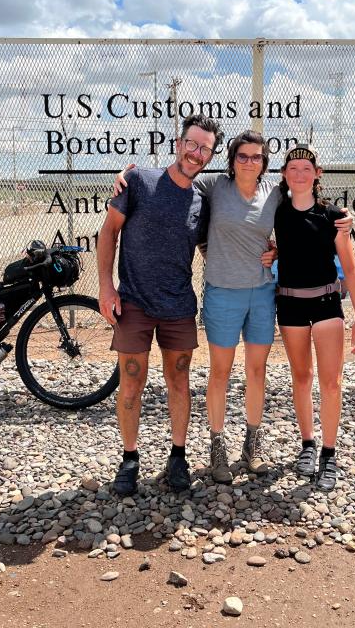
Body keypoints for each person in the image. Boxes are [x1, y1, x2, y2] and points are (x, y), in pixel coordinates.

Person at [114, 133, 351, 485]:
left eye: (257, 157)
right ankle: (217, 448)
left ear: (265, 162)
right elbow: (178, 176)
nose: (249, 162)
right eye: (242, 156)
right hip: (223, 294)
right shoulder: (213, 186)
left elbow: (305, 216)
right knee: (220, 374)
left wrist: (338, 220)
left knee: (256, 372)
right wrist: (124, 176)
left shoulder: (275, 191)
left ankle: (251, 447)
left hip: (262, 293)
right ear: (231, 159)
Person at [97, 113, 222, 496]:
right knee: (131, 381)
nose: (196, 153)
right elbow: (108, 233)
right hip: (133, 302)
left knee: (179, 382)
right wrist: (105, 287)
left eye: (205, 148)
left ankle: (178, 456)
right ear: (179, 142)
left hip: (178, 307)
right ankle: (129, 459)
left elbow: (210, 246)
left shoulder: (203, 199)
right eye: (192, 143)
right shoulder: (138, 181)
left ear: (210, 155)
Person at [274, 144, 355, 491]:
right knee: (302, 377)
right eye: (293, 167)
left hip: (327, 304)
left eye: (306, 168)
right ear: (285, 174)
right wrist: (270, 254)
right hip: (290, 306)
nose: (299, 174)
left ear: (317, 174)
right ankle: (308, 445)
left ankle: (329, 453)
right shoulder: (278, 211)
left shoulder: (334, 216)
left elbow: (352, 268)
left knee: (331, 382)